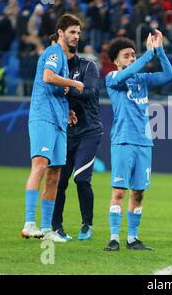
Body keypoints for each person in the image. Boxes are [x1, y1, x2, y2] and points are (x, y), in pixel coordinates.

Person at [104, 30, 172, 251]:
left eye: (133, 55)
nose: (132, 58)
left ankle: (133, 239)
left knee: (139, 192)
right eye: (127, 55)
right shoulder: (112, 78)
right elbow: (128, 73)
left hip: (144, 142)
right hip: (123, 141)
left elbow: (169, 75)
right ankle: (114, 238)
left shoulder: (142, 79)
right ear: (116, 61)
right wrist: (147, 54)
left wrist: (159, 50)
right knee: (119, 191)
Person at [21, 14, 84, 242]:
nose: (76, 36)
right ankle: (29, 223)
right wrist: (73, 83)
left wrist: (66, 109)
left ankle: (47, 230)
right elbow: (48, 77)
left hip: (58, 120)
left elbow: (56, 86)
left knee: (55, 173)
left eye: (78, 33)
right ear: (60, 32)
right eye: (72, 32)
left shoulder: (63, 60)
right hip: (43, 117)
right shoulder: (54, 52)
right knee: (40, 166)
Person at [51, 32, 103, 241]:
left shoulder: (88, 66)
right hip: (65, 132)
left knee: (81, 178)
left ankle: (87, 223)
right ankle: (56, 227)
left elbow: (89, 90)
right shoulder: (55, 71)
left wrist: (67, 89)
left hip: (89, 131)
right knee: (59, 181)